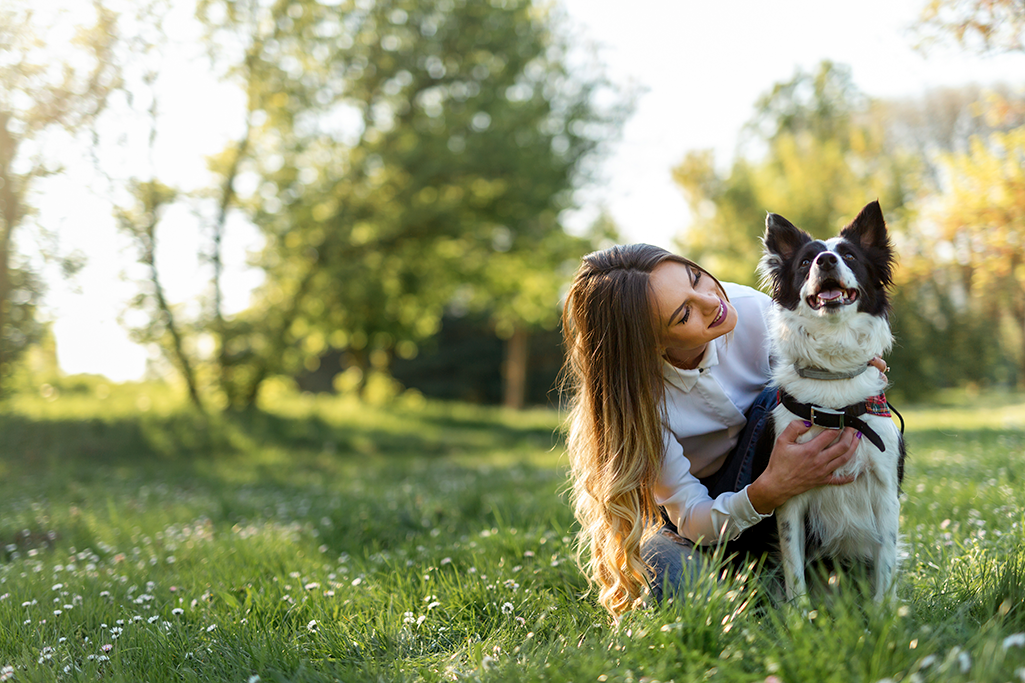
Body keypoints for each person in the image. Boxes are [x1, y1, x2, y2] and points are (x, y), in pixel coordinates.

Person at [562, 244, 878, 619]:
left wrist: (848, 366)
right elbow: (691, 514)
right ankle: (751, 587)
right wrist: (768, 490)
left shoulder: (755, 311)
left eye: (696, 278)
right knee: (672, 575)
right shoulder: (638, 402)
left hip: (793, 500)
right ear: (651, 345)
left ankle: (812, 569)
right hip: (704, 522)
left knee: (783, 399)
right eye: (684, 314)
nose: (711, 302)